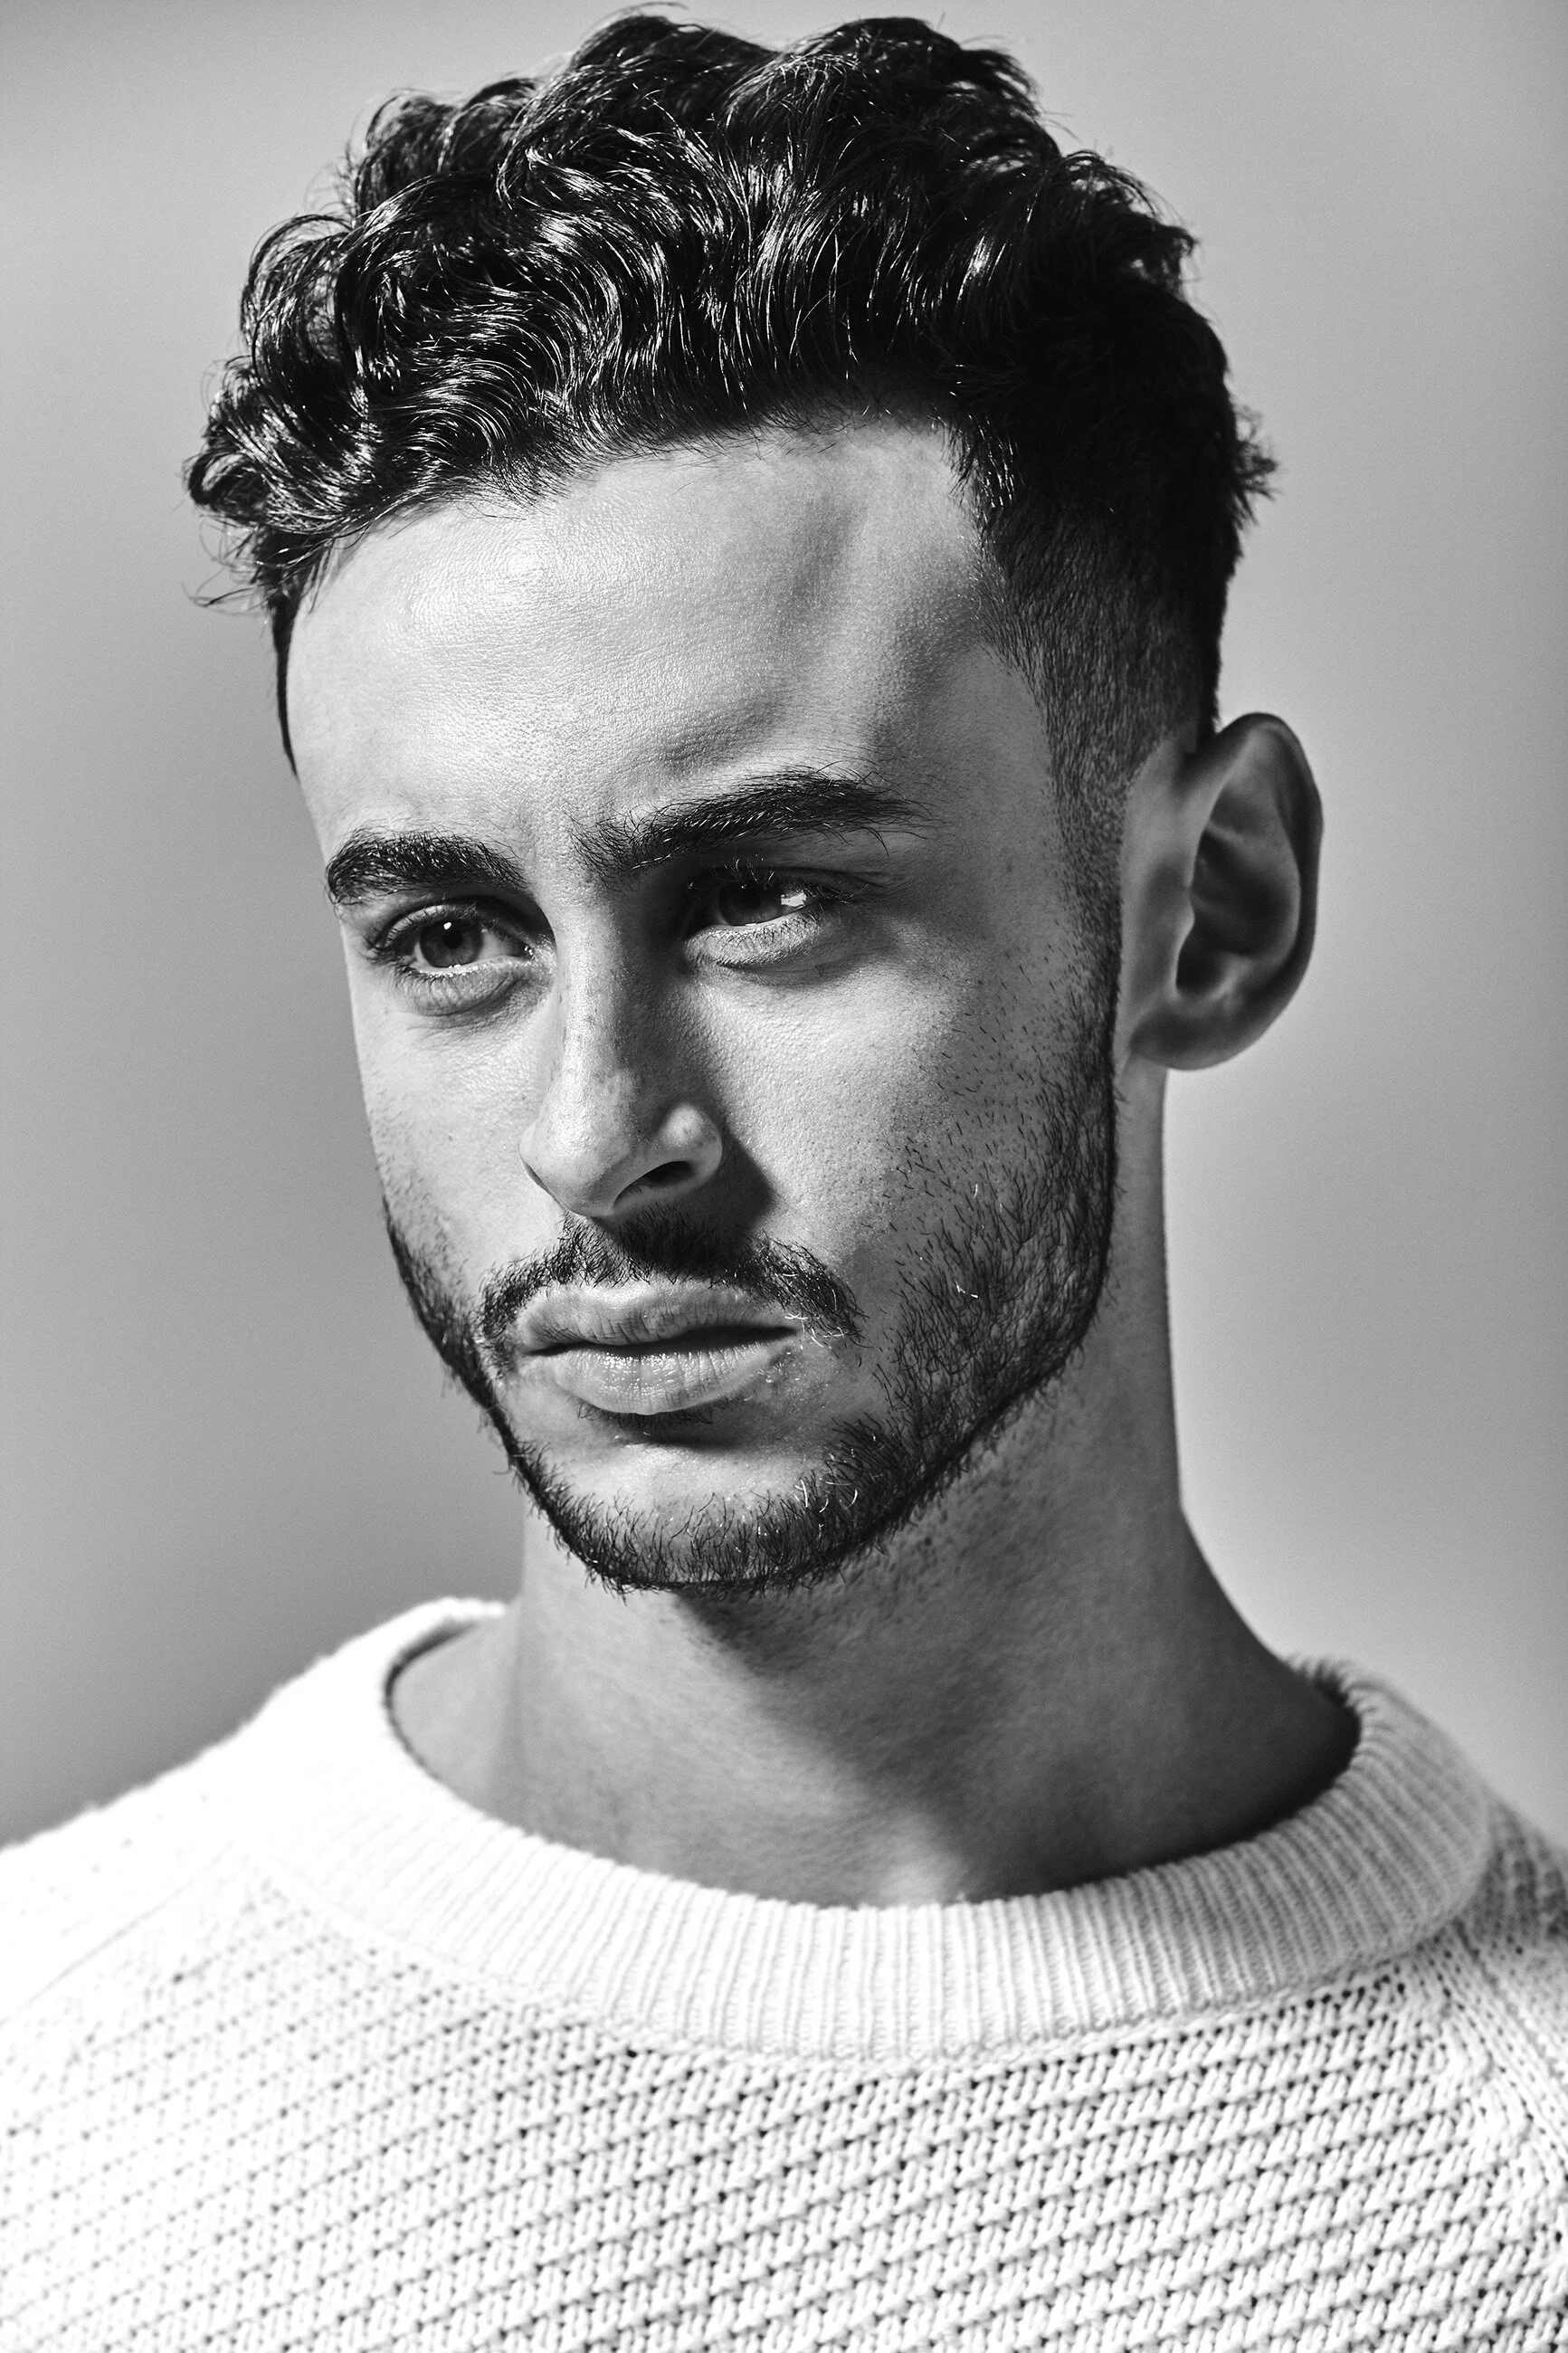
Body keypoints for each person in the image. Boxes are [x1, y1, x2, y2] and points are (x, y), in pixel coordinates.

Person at [3, 14, 1563, 2347]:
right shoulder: (43, 2099)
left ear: (1210, 910)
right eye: (453, 935)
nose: (592, 1131)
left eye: (772, 900)